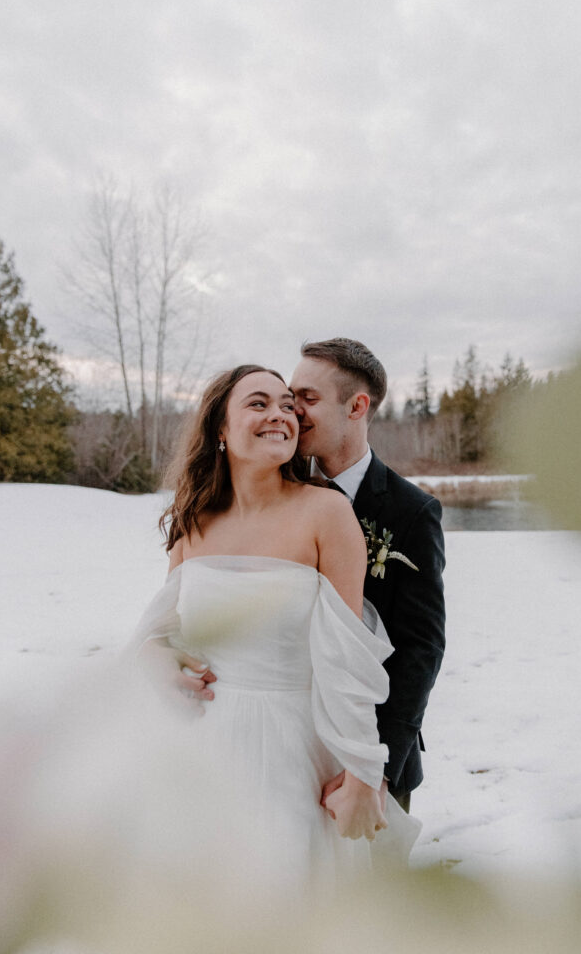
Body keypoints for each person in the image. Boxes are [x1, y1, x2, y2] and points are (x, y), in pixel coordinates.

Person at [133, 364, 417, 885]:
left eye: (288, 405)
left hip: (294, 750)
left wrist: (361, 771)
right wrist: (156, 661)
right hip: (203, 747)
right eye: (258, 403)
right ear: (220, 428)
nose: (280, 415)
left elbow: (346, 657)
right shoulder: (193, 522)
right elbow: (159, 634)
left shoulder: (326, 513)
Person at [178, 339, 447, 814]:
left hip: (368, 752)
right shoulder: (277, 490)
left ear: (357, 406)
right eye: (286, 398)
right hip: (243, 737)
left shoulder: (409, 511)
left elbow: (420, 649)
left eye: (306, 399)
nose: (292, 413)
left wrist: (372, 767)